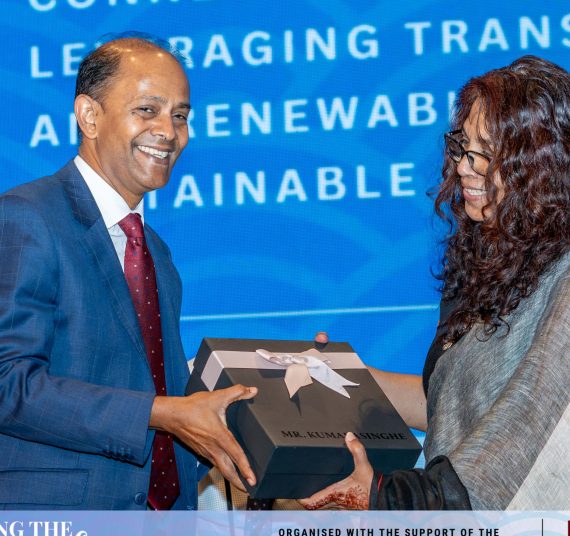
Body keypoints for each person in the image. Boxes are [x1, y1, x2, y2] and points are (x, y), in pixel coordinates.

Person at [0, 35, 257, 510]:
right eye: (147, 110)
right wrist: (162, 413)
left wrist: (266, 400)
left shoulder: (155, 251)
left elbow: (158, 394)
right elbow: (8, 382)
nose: (169, 132)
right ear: (89, 116)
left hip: (165, 527)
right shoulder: (27, 217)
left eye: (180, 116)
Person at [302, 55, 570, 510]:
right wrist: (341, 376)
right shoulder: (491, 263)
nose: (464, 166)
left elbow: (524, 438)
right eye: (462, 146)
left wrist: (390, 499)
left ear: (542, 165)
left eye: (487, 153)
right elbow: (448, 407)